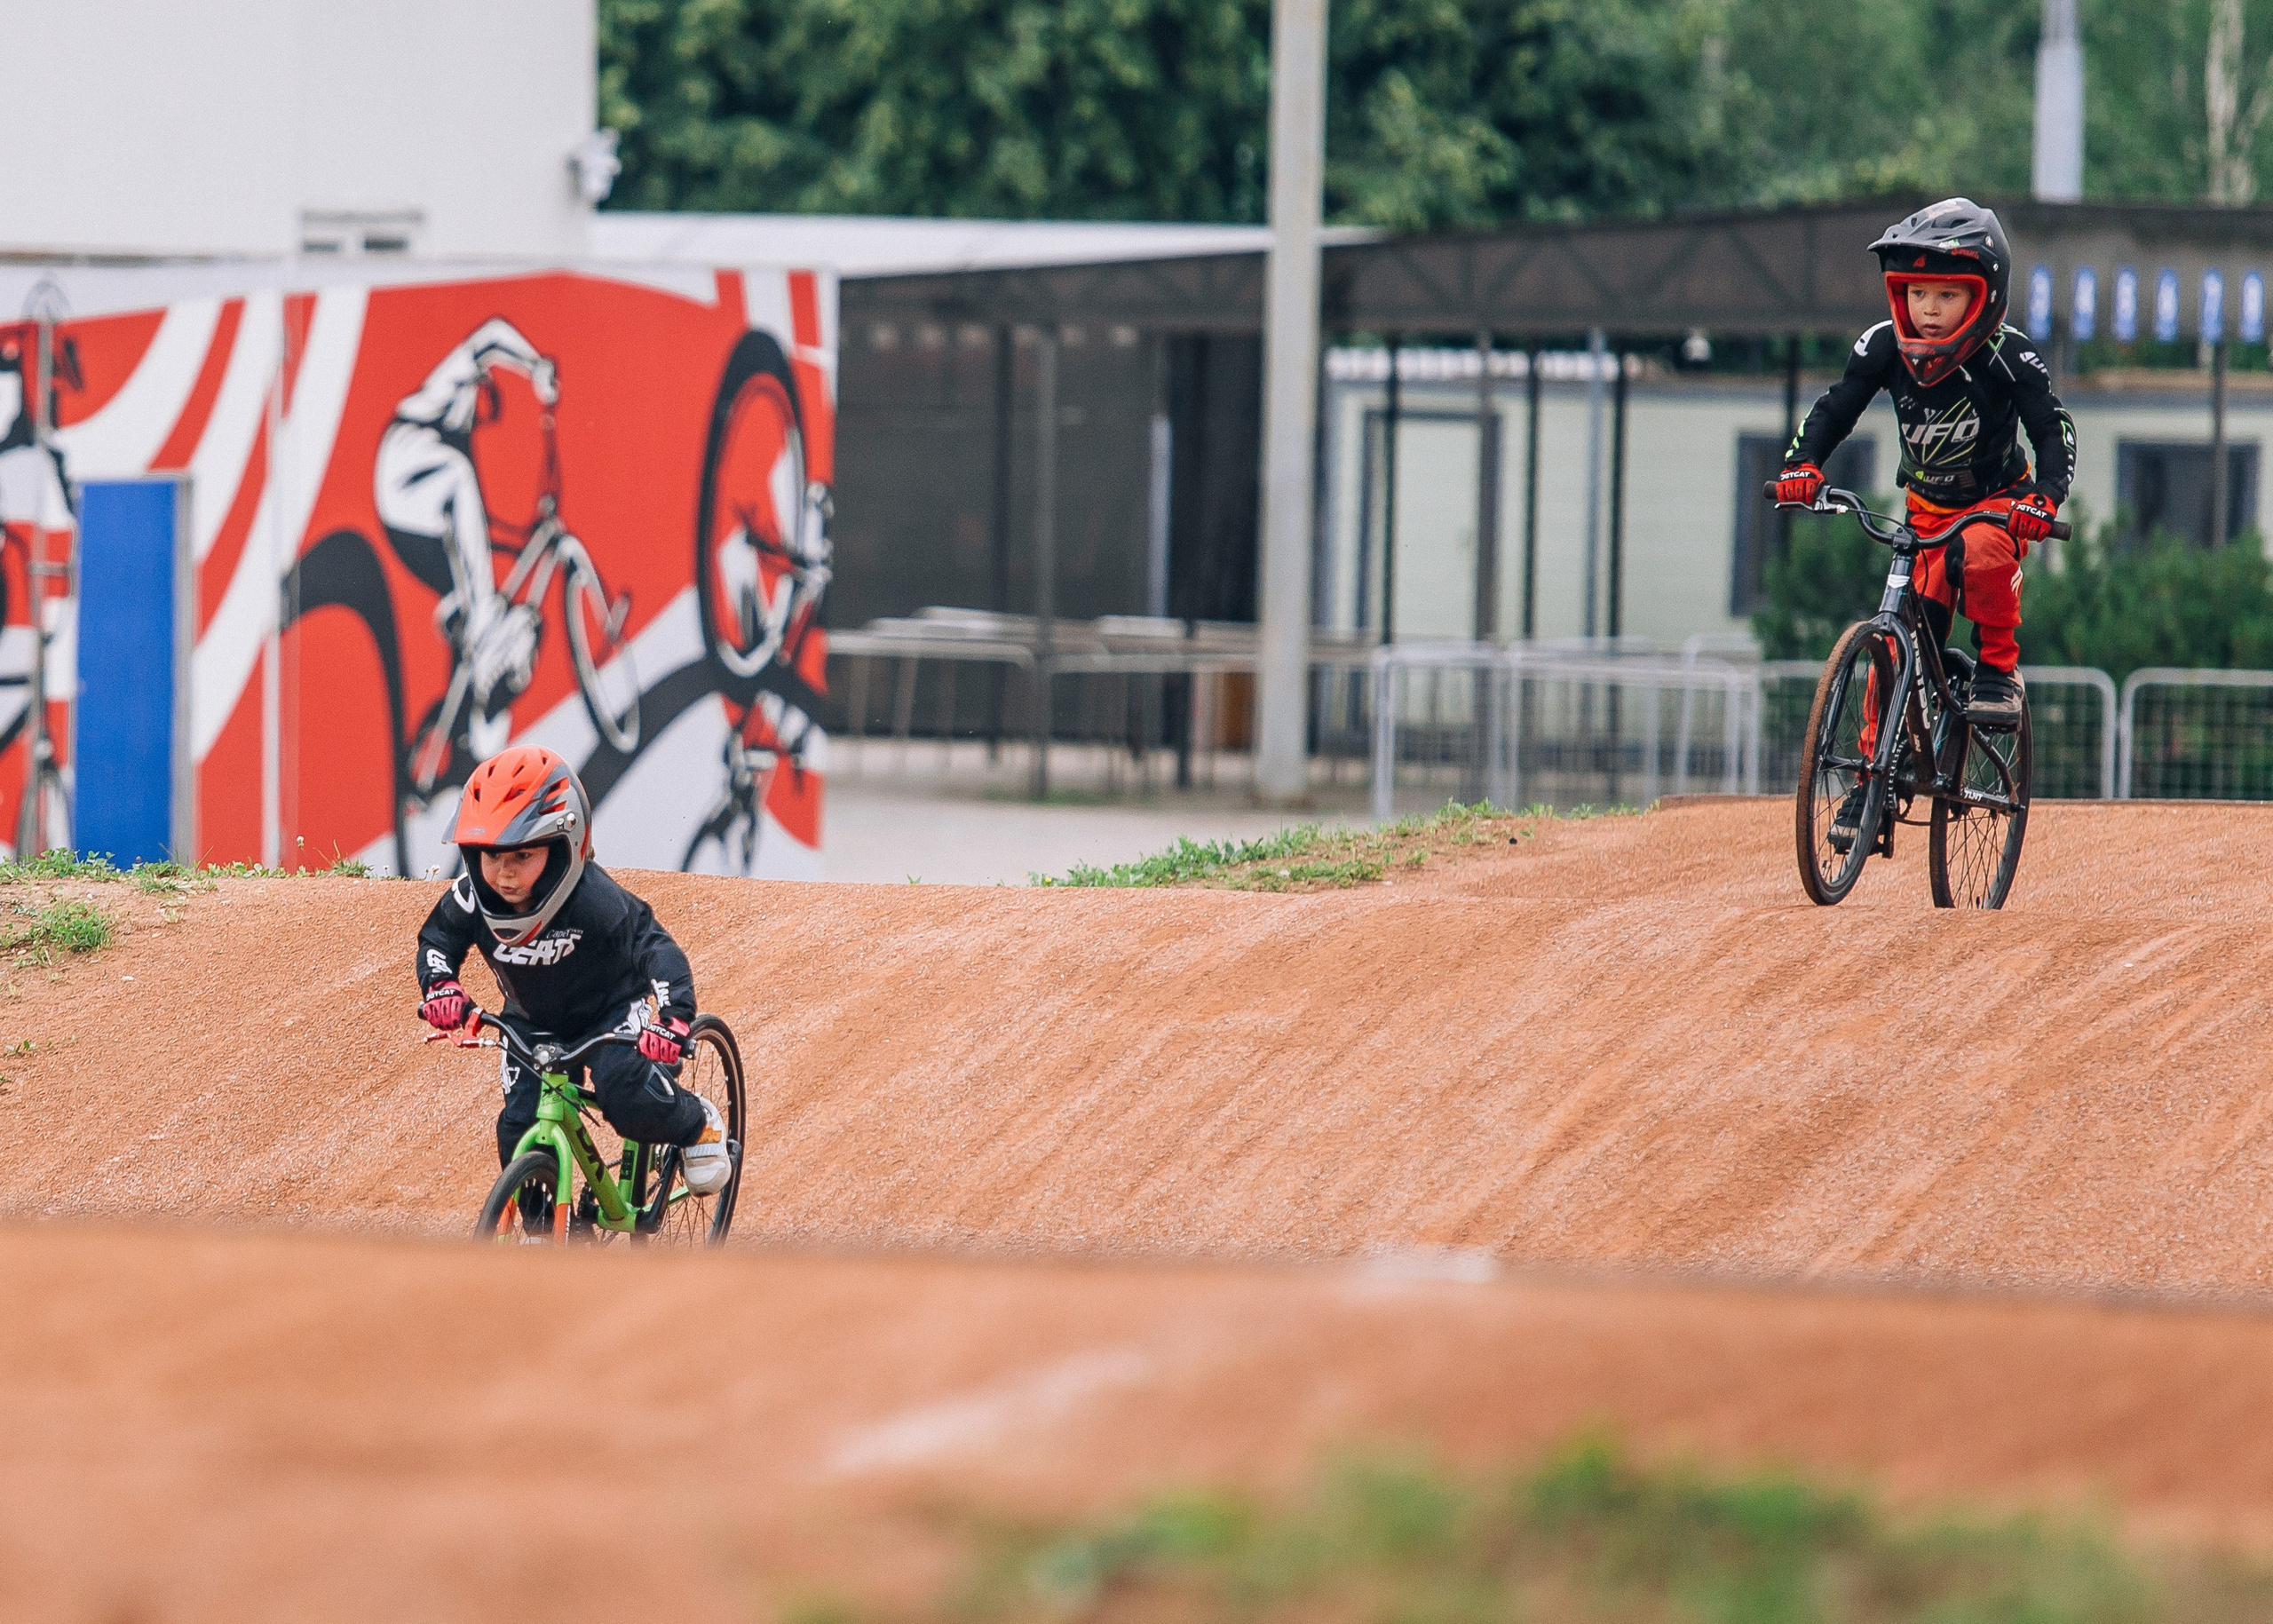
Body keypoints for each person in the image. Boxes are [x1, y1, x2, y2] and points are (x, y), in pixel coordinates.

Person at [1775, 198, 2075, 847]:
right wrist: (1802, 464)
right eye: (1916, 293)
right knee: (1893, 644)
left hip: (1995, 506)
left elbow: (2053, 430)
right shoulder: (1883, 346)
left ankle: (1998, 665)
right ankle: (1871, 780)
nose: (1928, 309)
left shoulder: (2009, 356)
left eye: (1946, 294)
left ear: (1984, 297)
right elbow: (1835, 409)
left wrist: (2046, 499)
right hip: (1923, 511)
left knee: (1983, 553)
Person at [414, 745, 730, 1198]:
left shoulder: (594, 899)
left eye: (522, 856)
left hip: (610, 1015)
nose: (503, 874)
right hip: (529, 1022)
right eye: (490, 855)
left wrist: (674, 1017)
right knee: (517, 1131)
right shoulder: (469, 899)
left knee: (625, 1097)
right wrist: (440, 987)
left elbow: (656, 949)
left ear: (565, 845)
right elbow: (437, 943)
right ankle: (547, 1246)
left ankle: (698, 1123)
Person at [375, 318, 560, 759]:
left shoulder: (458, 444)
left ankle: (475, 718)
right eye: (486, 404)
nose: (481, 414)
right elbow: (492, 334)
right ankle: (483, 628)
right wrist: (534, 366)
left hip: (415, 525)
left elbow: (472, 527)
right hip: (401, 462)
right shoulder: (450, 385)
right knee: (459, 479)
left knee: (476, 605)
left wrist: (522, 541)